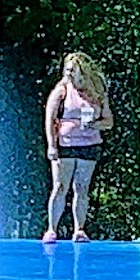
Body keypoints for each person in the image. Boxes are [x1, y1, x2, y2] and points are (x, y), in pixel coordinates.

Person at [43, 53, 111, 242]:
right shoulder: (62, 90)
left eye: (72, 70)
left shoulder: (96, 91)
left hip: (89, 143)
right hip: (65, 144)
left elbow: (109, 121)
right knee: (60, 186)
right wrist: (51, 145)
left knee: (82, 188)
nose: (69, 73)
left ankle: (79, 229)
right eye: (67, 69)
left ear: (82, 70)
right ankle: (51, 229)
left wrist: (94, 125)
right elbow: (50, 118)